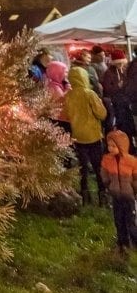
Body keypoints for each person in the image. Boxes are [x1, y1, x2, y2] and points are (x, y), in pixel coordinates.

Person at [62, 66, 108, 205]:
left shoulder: (68, 95)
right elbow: (102, 114)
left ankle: (84, 194)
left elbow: (67, 114)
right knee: (98, 166)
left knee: (83, 168)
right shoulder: (90, 94)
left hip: (78, 136)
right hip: (93, 135)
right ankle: (102, 195)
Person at [100, 129, 137, 254]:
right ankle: (122, 243)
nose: (110, 148)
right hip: (116, 196)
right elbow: (104, 174)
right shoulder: (107, 160)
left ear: (121, 146)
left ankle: (134, 243)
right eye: (109, 145)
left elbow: (135, 178)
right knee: (119, 221)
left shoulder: (131, 161)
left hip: (129, 196)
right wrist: (108, 185)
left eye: (113, 146)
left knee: (131, 221)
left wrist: (134, 190)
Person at [44, 60, 71, 134]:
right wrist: (68, 90)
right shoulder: (54, 88)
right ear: (57, 73)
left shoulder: (57, 84)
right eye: (65, 72)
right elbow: (62, 102)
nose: (67, 75)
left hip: (59, 118)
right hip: (59, 120)